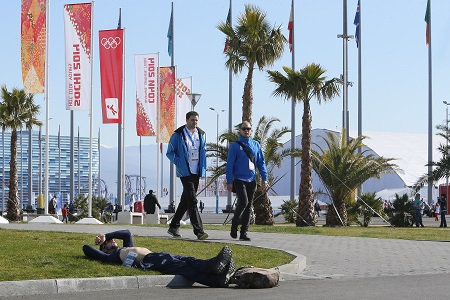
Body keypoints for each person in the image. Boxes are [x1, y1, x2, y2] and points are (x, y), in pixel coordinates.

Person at [82, 230, 234, 287]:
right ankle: (213, 268)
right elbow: (86, 249)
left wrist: (106, 235)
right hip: (150, 260)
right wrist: (100, 242)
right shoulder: (111, 257)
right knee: (184, 266)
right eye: (108, 243)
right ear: (104, 249)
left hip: (156, 256)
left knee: (186, 262)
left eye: (112, 240)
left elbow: (127, 233)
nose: (112, 241)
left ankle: (217, 277)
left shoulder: (125, 247)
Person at [166, 111, 208, 240]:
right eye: (192, 120)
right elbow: (170, 152)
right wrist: (179, 162)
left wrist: (203, 168)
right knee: (193, 200)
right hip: (185, 171)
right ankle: (199, 231)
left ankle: (173, 225)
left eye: (196, 120)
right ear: (186, 120)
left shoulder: (201, 134)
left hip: (196, 171)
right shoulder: (178, 134)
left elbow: (203, 151)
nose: (194, 122)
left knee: (186, 200)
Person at [226, 121, 268, 241]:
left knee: (249, 206)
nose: (246, 131)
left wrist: (265, 178)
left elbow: (261, 163)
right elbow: (230, 165)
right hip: (239, 179)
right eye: (244, 129)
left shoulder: (256, 145)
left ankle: (243, 233)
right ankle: (234, 223)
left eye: (248, 129)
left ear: (251, 130)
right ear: (240, 130)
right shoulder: (235, 146)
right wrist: (229, 181)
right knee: (243, 202)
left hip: (252, 179)